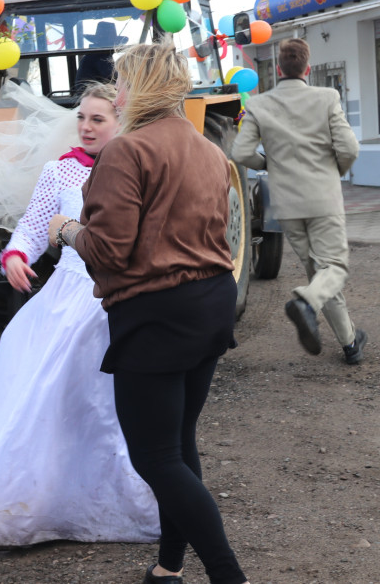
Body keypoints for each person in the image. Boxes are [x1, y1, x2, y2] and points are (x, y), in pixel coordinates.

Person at [49, 39, 250, 584]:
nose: (117, 92)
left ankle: (230, 577)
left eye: (121, 81)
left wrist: (66, 231)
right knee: (179, 445)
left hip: (157, 311)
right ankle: (169, 567)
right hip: (211, 302)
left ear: (140, 87)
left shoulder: (127, 151)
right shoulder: (209, 150)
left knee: (155, 457)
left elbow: (110, 249)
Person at [0, 82, 160, 549]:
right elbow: (33, 221)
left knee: (108, 404)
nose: (85, 127)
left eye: (97, 119)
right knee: (44, 393)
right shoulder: (60, 170)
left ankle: (122, 500)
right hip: (66, 295)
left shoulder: (139, 169)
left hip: (115, 297)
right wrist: (16, 255)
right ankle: (37, 502)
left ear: (120, 123)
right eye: (81, 117)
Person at [232, 38, 366, 365]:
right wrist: (335, 172)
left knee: (318, 272)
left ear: (279, 69)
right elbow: (349, 149)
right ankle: (305, 303)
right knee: (333, 267)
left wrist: (270, 166)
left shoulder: (260, 105)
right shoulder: (327, 97)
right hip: (323, 198)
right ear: (307, 68)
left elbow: (241, 153)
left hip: (286, 204)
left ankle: (350, 343)